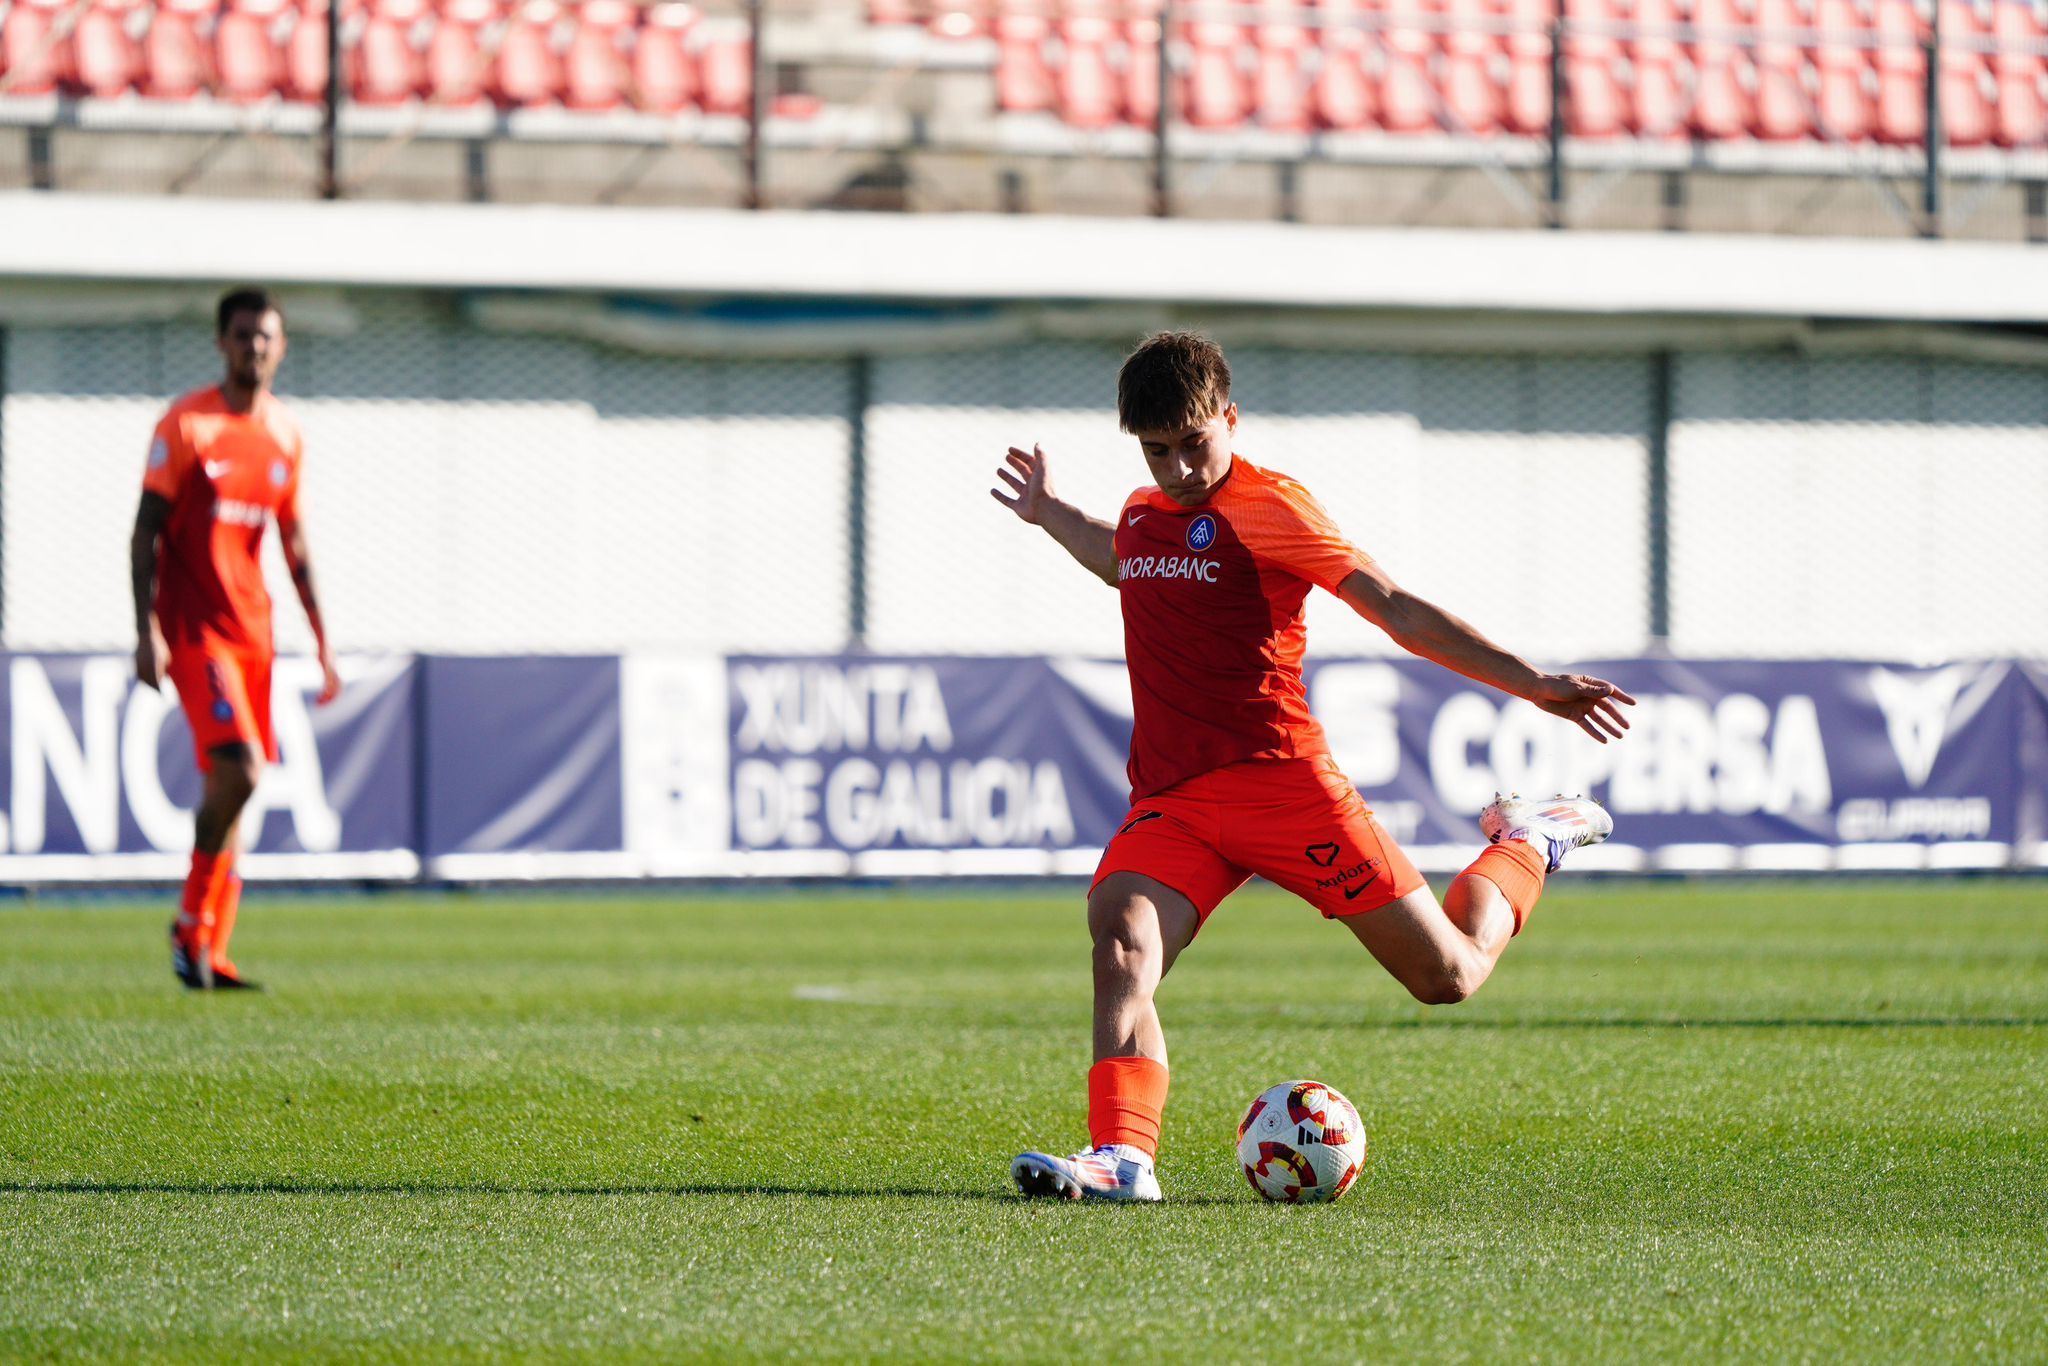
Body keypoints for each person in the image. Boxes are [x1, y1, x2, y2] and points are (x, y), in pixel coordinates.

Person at [989, 332, 1636, 1202]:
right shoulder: (1145, 512)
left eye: (1194, 443)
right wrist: (1051, 512)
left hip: (1287, 786)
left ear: (1229, 417)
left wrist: (1531, 684)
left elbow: (1397, 609)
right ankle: (1122, 1159)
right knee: (1122, 939)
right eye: (1157, 449)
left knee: (1446, 977)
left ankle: (1528, 841)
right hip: (1176, 802)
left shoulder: (1274, 508)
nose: (1179, 466)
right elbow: (1121, 559)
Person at [130, 287, 341, 991]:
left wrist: (322, 640)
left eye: (267, 336)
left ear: (282, 348)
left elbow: (296, 544)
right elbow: (145, 532)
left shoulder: (284, 434)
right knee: (242, 771)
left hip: (255, 634)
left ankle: (212, 950)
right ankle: (188, 924)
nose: (255, 346)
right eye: (243, 334)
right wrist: (147, 631)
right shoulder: (188, 425)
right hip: (195, 631)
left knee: (236, 791)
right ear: (221, 342)